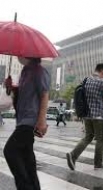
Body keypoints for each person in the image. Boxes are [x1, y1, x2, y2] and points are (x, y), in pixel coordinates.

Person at [4, 57, 50, 190]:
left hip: (29, 121)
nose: (18, 56)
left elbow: (44, 94)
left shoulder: (39, 71)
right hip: (22, 120)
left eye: (20, 54)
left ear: (28, 54)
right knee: (28, 161)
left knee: (10, 151)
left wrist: (42, 121)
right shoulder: (25, 71)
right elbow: (23, 97)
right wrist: (11, 87)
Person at [66, 63, 103, 170]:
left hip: (87, 116)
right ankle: (98, 163)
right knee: (100, 140)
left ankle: (73, 155)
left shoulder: (86, 80)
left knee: (88, 137)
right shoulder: (102, 82)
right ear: (102, 71)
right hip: (99, 116)